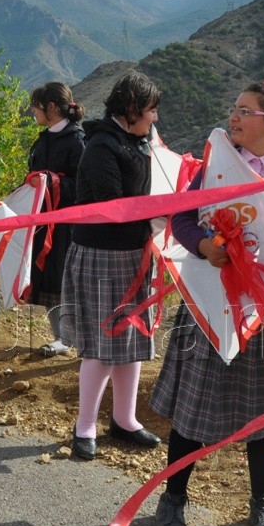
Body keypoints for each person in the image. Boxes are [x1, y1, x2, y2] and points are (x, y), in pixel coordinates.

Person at [150, 81, 264, 526]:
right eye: (233, 109)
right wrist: (203, 245)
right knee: (193, 408)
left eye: (245, 110)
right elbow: (183, 217)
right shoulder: (216, 167)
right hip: (211, 308)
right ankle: (174, 497)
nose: (233, 117)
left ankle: (262, 502)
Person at [60, 71, 162, 461]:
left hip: (133, 254)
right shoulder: (103, 146)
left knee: (131, 341)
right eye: (151, 110)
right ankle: (85, 425)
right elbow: (113, 209)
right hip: (103, 255)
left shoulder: (134, 142)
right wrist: (160, 215)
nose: (155, 118)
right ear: (133, 109)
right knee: (104, 345)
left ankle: (125, 419)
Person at [26, 82, 85, 358]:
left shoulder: (77, 141)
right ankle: (61, 337)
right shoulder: (42, 140)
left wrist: (52, 181)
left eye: (36, 106)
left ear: (51, 107)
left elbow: (84, 186)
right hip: (44, 223)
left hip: (67, 226)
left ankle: (70, 337)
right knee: (48, 280)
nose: (32, 112)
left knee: (65, 281)